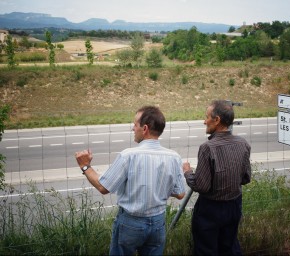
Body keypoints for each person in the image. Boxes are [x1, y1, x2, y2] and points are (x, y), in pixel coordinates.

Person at [75, 106, 186, 256]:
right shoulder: (174, 157)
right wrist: (157, 186)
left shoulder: (128, 156)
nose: (132, 128)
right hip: (158, 223)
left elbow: (103, 187)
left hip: (131, 223)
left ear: (144, 128)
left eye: (135, 125)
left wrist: (85, 166)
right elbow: (180, 194)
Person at [182, 100, 251, 255]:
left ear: (217, 120)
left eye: (207, 117)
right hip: (234, 206)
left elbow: (201, 186)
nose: (204, 121)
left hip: (210, 210)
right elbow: (246, 178)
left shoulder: (207, 148)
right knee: (230, 247)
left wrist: (187, 172)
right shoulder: (243, 144)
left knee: (206, 250)